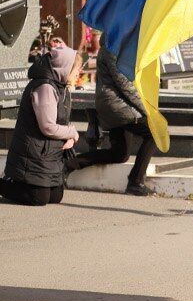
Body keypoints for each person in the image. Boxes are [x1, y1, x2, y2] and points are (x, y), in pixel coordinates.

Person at [0, 47, 82, 206]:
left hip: (50, 153)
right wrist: (72, 132)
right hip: (32, 152)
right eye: (76, 69)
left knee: (55, 196)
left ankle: (24, 185)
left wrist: (70, 137)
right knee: (38, 198)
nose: (79, 73)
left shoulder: (61, 88)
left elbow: (63, 120)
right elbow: (48, 127)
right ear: (65, 68)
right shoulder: (45, 88)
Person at [71, 45, 156, 195]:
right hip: (117, 105)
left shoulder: (117, 45)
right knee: (155, 133)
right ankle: (136, 182)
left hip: (116, 104)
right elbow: (124, 83)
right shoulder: (114, 47)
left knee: (120, 154)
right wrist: (146, 109)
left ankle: (70, 164)